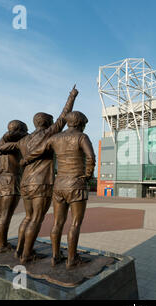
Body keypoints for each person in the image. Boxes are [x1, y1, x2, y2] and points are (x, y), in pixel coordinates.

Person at [0, 85, 78, 264]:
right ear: (47, 123)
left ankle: (19, 250)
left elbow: (0, 148)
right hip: (41, 183)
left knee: (27, 217)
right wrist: (72, 96)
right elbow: (64, 117)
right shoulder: (48, 134)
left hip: (24, 183)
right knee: (36, 219)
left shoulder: (23, 140)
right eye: (52, 121)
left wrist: (6, 137)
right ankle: (27, 254)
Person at [22, 111, 95, 269]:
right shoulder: (82, 137)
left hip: (59, 184)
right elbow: (90, 157)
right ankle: (72, 258)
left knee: (57, 222)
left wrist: (25, 160)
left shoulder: (55, 138)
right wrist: (88, 175)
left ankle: (55, 257)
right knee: (75, 223)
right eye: (84, 124)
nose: (84, 127)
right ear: (80, 123)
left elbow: (38, 151)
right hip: (76, 183)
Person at [0, 120, 28, 252]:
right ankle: (2, 245)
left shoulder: (1, 147)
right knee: (5, 214)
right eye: (24, 131)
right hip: (10, 179)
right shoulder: (15, 145)